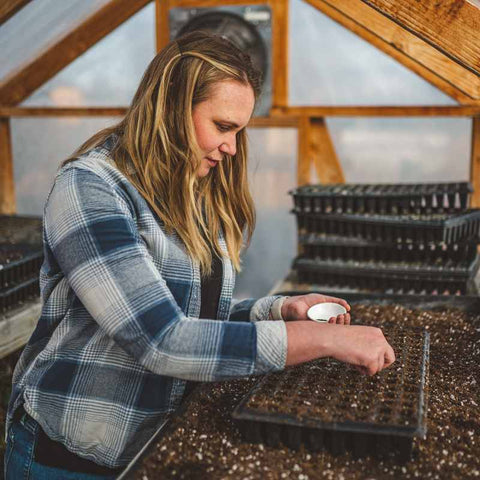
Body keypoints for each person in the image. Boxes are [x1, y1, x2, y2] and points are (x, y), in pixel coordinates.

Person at [4, 31, 395, 479]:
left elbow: (192, 313)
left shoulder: (190, 189)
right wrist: (326, 340)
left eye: (238, 131)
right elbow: (162, 339)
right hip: (70, 458)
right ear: (170, 108)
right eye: (223, 126)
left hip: (149, 446)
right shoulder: (91, 189)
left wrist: (281, 310)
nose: (231, 147)